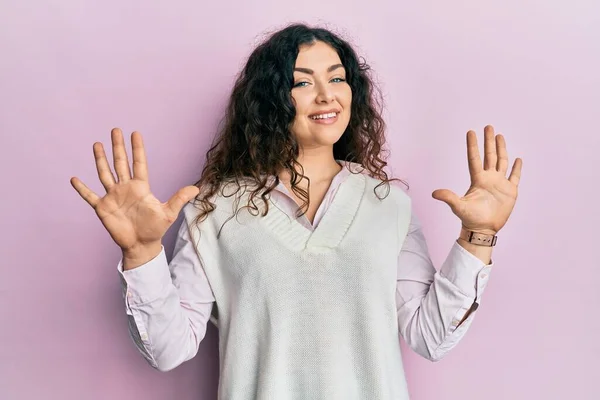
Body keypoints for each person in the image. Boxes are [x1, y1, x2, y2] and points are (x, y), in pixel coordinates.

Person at [70, 23, 522, 400]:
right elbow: (168, 350)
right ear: (270, 101)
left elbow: (431, 336)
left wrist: (476, 236)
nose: (326, 95)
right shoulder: (215, 210)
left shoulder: (388, 205)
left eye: (337, 78)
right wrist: (143, 252)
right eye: (302, 82)